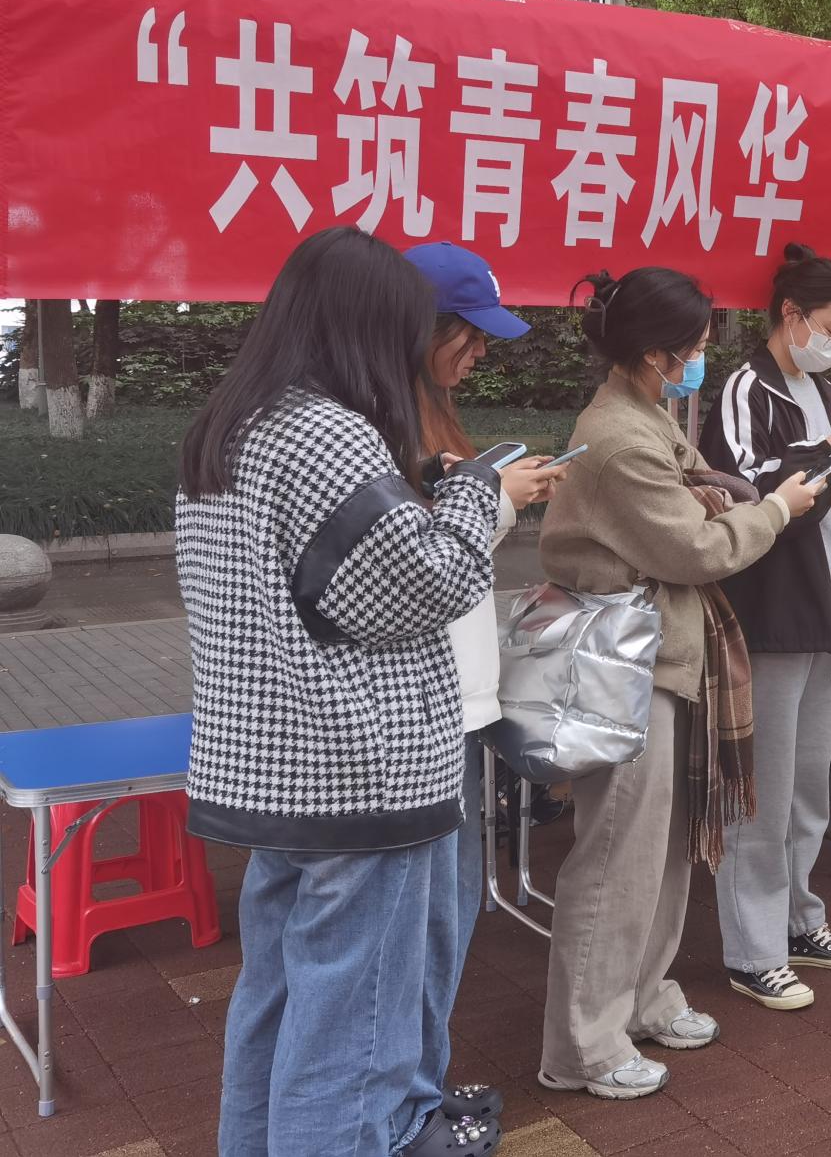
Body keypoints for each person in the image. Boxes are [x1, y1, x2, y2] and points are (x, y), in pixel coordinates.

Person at [177, 228, 506, 1157]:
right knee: (353, 1037)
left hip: (268, 768)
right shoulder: (329, 431)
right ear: (368, 323)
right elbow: (422, 587)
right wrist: (475, 493)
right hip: (357, 772)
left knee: (276, 1005)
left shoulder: (227, 425)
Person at [537, 268, 817, 1099]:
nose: (699, 360)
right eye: (692, 348)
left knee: (663, 851)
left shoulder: (645, 413)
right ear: (655, 352)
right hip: (628, 664)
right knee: (616, 856)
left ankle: (643, 999)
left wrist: (725, 507)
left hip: (663, 655)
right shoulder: (621, 436)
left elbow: (701, 505)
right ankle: (582, 1046)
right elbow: (695, 548)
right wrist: (775, 510)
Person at [699, 244, 831, 1011]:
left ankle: (797, 920)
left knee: (808, 786)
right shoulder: (745, 387)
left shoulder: (826, 391)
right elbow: (748, 492)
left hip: (829, 615)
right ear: (792, 315)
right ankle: (753, 951)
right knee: (762, 793)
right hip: (770, 616)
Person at [403, 241, 567, 1132]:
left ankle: (418, 1090)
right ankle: (407, 1106)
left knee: (444, 914)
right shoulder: (373, 425)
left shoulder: (422, 411)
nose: (477, 355)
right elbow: (419, 567)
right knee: (420, 926)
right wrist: (499, 498)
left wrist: (495, 493)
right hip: (425, 710)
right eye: (467, 336)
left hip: (456, 700)